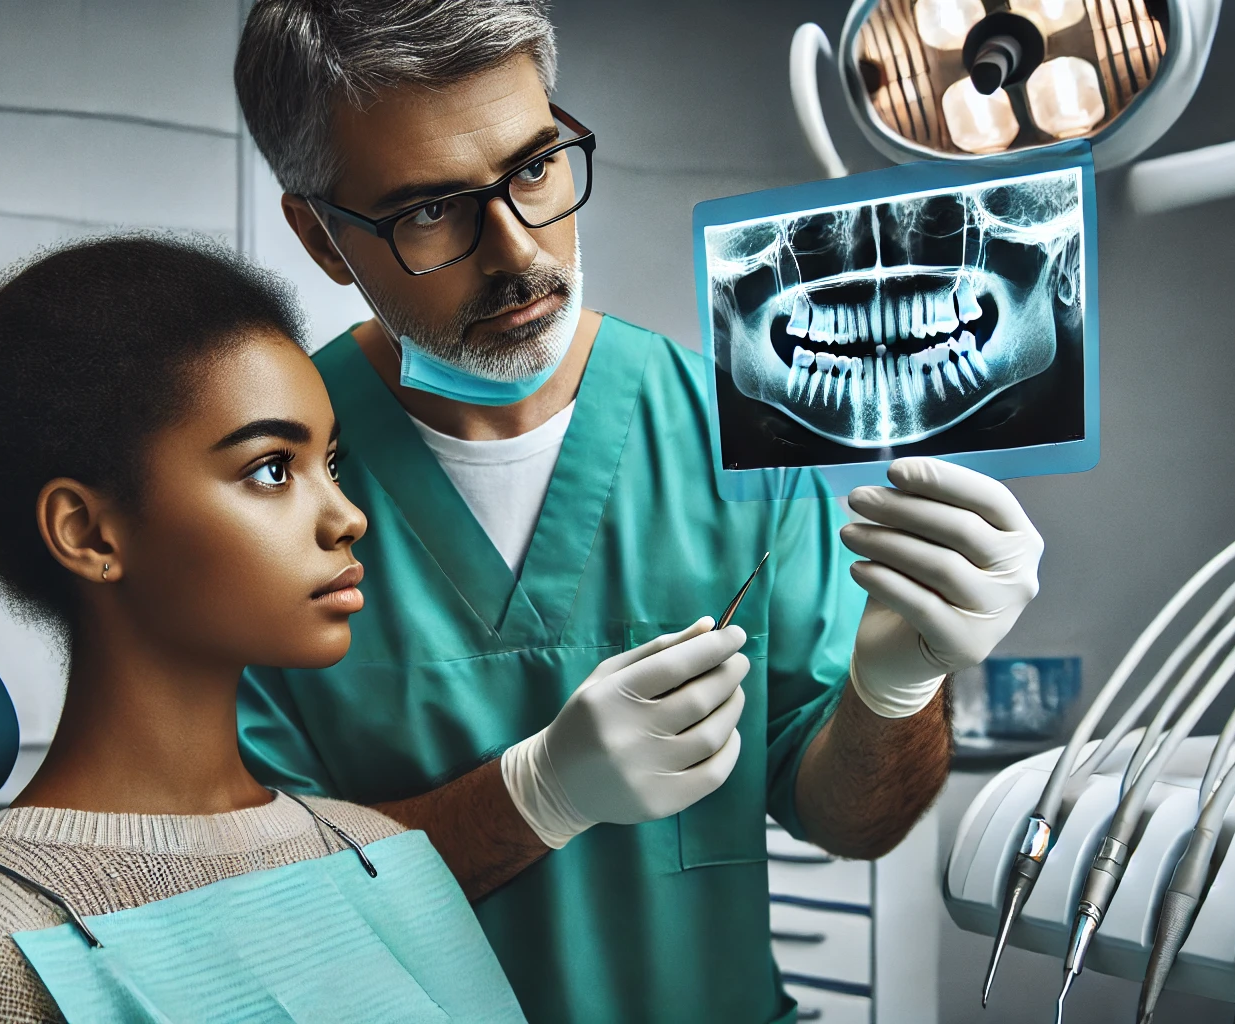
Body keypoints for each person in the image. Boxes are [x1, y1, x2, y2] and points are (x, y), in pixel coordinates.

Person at [232, 3, 1047, 1022]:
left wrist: (899, 685)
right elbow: (253, 910)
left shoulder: (730, 430)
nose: (516, 250)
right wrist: (535, 795)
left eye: (533, 167)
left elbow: (853, 819)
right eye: (430, 211)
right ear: (319, 237)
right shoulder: (247, 487)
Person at [0, 235, 527, 1022]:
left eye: (330, 464)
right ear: (89, 533)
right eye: (270, 469)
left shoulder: (373, 853)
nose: (348, 517)